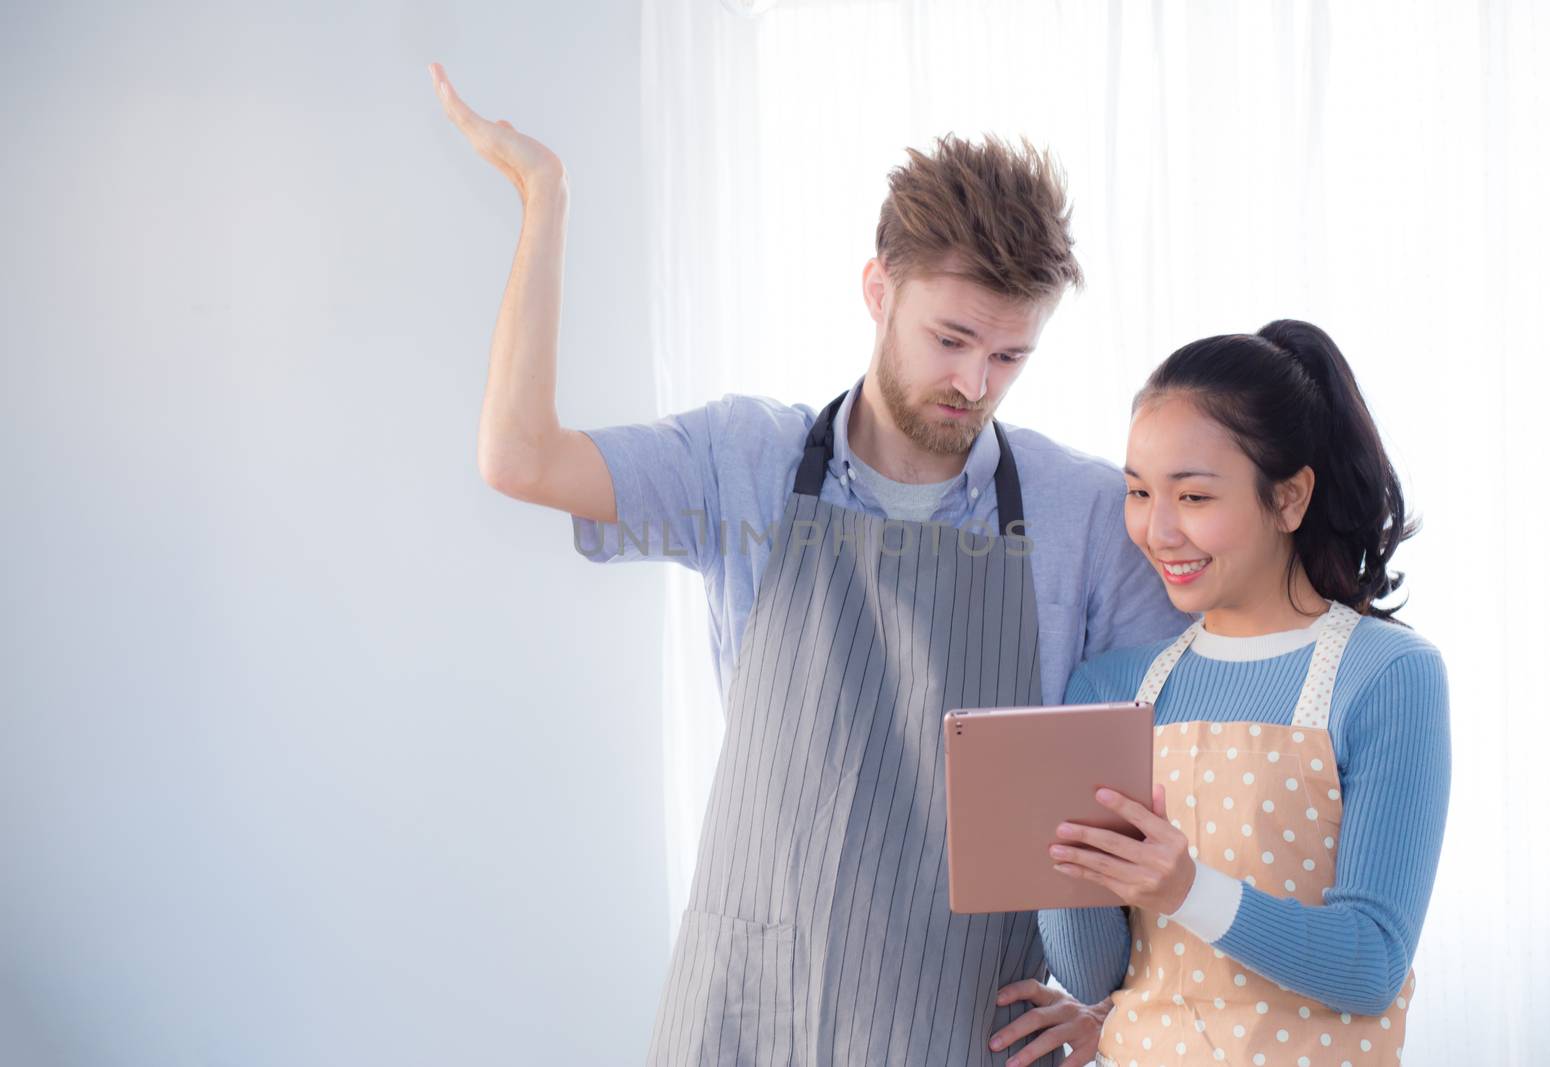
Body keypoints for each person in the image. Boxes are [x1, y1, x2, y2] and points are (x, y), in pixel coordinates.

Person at [428, 62, 1188, 1066]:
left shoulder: (1085, 512)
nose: (973, 382)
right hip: (748, 1012)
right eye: (950, 338)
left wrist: (1128, 1005)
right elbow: (519, 458)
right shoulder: (744, 462)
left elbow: (1182, 776)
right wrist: (545, 198)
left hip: (962, 1029)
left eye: (1009, 356)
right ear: (877, 289)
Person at [990, 320, 1451, 1066]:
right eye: (1138, 491)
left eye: (1194, 496)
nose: (1158, 529)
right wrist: (1059, 852)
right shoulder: (1110, 684)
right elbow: (1093, 971)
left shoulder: (1387, 674)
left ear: (1291, 497)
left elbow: (1370, 965)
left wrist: (1185, 888)